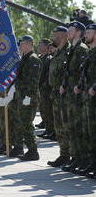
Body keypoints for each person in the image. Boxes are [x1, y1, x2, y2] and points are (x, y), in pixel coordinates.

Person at [60, 21, 88, 173]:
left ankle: (82, 159)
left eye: (70, 30)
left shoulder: (82, 50)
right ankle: (75, 158)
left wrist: (78, 88)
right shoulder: (72, 49)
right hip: (70, 94)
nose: (68, 33)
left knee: (78, 129)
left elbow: (83, 73)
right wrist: (64, 85)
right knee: (71, 128)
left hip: (77, 95)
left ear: (78, 32)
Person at [11, 35, 41, 160]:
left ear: (29, 44)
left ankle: (33, 150)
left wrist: (28, 96)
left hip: (29, 96)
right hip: (21, 95)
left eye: (22, 44)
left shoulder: (33, 59)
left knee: (27, 123)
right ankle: (18, 147)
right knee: (19, 122)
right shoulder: (24, 58)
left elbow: (34, 81)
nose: (20, 46)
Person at [74, 24, 96, 178]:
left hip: (93, 96)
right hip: (87, 98)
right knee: (89, 132)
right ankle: (91, 162)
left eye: (89, 32)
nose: (86, 35)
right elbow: (85, 73)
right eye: (86, 32)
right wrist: (79, 86)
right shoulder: (90, 52)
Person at [48, 26, 71, 168]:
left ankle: (72, 155)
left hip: (65, 94)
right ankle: (64, 155)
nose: (53, 38)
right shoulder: (57, 53)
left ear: (62, 36)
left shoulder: (69, 52)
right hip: (55, 94)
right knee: (59, 127)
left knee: (67, 126)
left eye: (55, 35)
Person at [37, 38, 55, 140]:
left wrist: (44, 86)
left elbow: (47, 75)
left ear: (46, 46)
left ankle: (52, 131)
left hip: (46, 89)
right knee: (43, 111)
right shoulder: (41, 58)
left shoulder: (48, 59)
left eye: (41, 45)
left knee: (48, 110)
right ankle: (48, 130)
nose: (39, 47)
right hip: (41, 88)